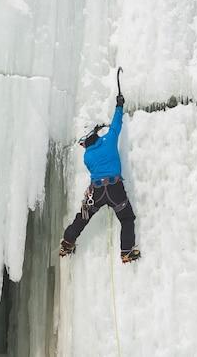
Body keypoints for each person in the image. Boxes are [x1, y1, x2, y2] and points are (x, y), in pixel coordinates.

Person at [59, 90, 141, 263]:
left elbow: (92, 166)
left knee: (82, 217)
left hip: (96, 191)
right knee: (126, 218)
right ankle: (126, 251)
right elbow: (116, 125)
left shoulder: (87, 156)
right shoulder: (109, 140)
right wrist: (119, 105)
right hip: (115, 189)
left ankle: (67, 242)